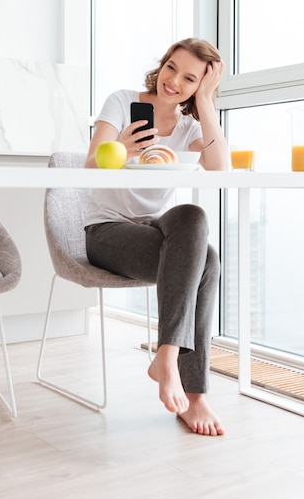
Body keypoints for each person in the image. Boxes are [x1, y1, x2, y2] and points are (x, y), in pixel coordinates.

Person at [84, 38, 229, 436]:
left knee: (193, 217)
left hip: (154, 230)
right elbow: (90, 166)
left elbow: (220, 172)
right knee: (208, 262)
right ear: (161, 65)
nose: (174, 81)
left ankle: (166, 356)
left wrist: (208, 104)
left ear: (199, 86)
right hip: (107, 231)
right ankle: (193, 392)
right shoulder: (122, 101)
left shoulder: (189, 128)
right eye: (171, 68)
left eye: (189, 78)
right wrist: (123, 149)